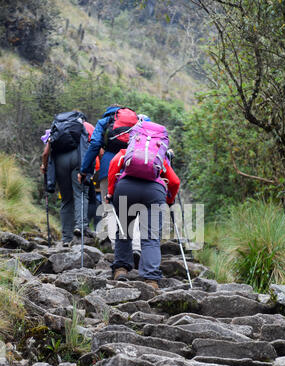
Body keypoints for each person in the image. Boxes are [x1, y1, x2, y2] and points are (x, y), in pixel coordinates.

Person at [106, 141, 180, 289]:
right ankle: (151, 279)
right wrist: (169, 200)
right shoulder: (159, 157)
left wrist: (110, 191)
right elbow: (174, 181)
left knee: (123, 230)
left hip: (125, 188)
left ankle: (121, 270)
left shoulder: (127, 152)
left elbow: (114, 164)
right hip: (154, 191)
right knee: (151, 237)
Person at [78, 105, 141, 258]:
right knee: (135, 207)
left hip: (109, 166)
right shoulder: (136, 121)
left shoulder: (104, 122)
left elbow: (94, 145)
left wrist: (84, 170)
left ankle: (117, 248)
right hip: (132, 164)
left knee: (109, 207)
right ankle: (136, 247)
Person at [40, 111, 92, 247]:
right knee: (80, 193)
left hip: (59, 162)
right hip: (76, 158)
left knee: (66, 199)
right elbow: (88, 147)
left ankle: (66, 238)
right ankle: (80, 227)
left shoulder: (56, 128)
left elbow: (46, 152)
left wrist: (44, 166)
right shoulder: (81, 127)